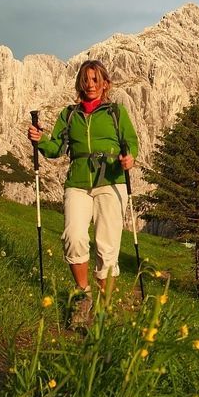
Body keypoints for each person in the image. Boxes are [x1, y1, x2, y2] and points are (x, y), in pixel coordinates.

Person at [27, 59, 138, 327]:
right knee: (74, 236)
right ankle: (83, 295)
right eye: (86, 80)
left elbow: (131, 142)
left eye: (96, 79)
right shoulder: (70, 115)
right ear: (80, 83)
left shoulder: (116, 112)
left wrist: (129, 158)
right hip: (77, 183)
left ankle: (106, 308)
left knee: (107, 246)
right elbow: (56, 149)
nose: (90, 85)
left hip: (111, 182)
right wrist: (40, 140)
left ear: (105, 84)